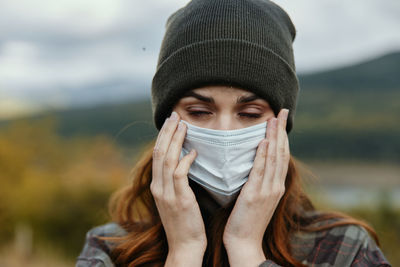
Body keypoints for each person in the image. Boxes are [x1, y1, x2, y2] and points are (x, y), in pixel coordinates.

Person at [76, 0, 391, 266]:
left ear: (281, 125)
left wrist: (246, 249)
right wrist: (183, 252)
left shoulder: (342, 250)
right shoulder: (110, 249)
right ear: (166, 123)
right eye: (199, 111)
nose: (224, 132)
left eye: (250, 114)